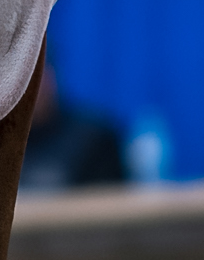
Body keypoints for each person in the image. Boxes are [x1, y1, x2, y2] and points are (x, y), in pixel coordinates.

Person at [14, 54, 131, 191]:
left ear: (50, 76)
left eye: (32, 74)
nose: (24, 88)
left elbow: (110, 200)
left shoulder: (94, 138)